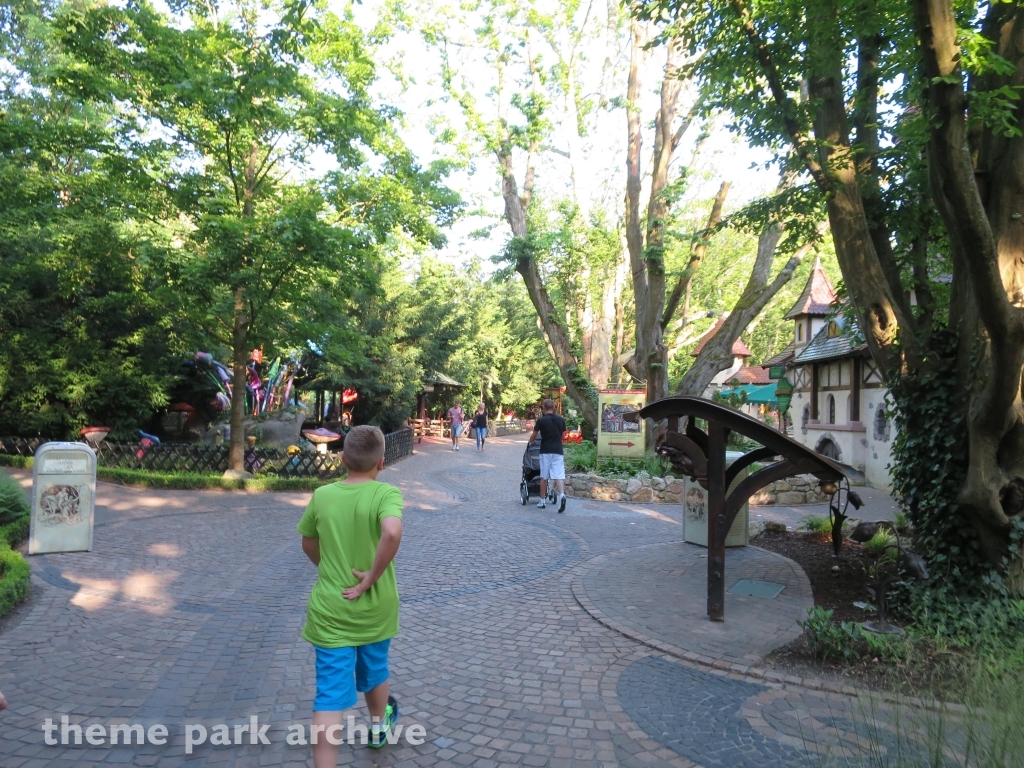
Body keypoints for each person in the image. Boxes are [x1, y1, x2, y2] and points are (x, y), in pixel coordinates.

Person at [297, 425, 404, 763]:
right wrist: (372, 576)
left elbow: (308, 542)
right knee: (375, 669)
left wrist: (326, 568)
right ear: (381, 463)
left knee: (329, 697)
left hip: (331, 609)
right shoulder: (386, 494)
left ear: (342, 459)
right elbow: (391, 531)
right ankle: (377, 727)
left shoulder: (323, 495)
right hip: (375, 608)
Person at [528, 398, 567, 513]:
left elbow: (533, 436)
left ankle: (542, 501)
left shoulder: (541, 421)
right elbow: (563, 436)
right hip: (558, 451)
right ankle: (562, 495)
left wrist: (531, 441)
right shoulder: (561, 420)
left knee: (544, 477)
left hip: (545, 451)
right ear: (553, 407)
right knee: (558, 475)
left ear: (544, 408)